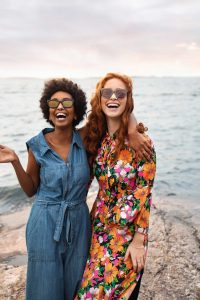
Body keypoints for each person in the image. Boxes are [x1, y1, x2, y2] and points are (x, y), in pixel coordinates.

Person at [0, 78, 92, 300]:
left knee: (77, 287)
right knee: (45, 289)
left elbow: (112, 114)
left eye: (67, 103)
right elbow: (31, 189)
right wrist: (15, 161)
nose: (60, 107)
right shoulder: (36, 145)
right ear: (48, 111)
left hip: (79, 223)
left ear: (76, 110)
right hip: (44, 224)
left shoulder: (86, 138)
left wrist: (136, 132)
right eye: (54, 103)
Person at [76, 73, 156, 299]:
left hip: (127, 233)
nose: (113, 98)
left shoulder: (141, 142)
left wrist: (140, 240)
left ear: (128, 100)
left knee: (118, 292)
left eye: (120, 93)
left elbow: (145, 191)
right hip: (99, 230)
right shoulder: (97, 138)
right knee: (89, 293)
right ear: (99, 99)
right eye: (107, 93)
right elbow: (64, 136)